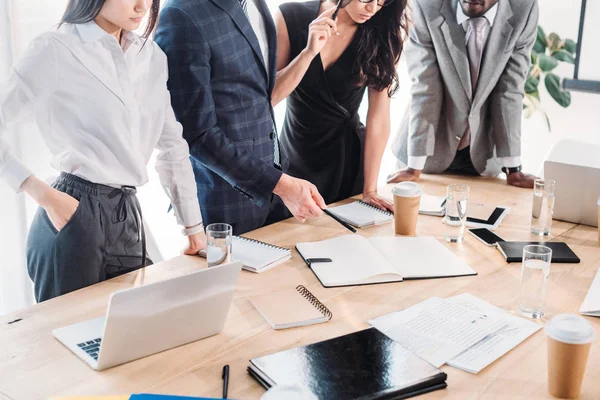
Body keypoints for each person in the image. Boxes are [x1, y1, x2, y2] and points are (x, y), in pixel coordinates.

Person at [0, 0, 206, 302]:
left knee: (139, 333)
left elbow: (172, 143)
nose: (142, 6)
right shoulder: (56, 48)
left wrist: (193, 226)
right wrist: (43, 195)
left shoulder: (150, 56)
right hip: (72, 212)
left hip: (126, 213)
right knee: (72, 338)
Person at [155, 0, 326, 236]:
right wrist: (280, 184)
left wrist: (280, 181)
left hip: (275, 193)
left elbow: (259, 95)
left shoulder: (256, 4)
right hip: (223, 203)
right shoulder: (180, 15)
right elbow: (196, 134)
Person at [387, 0, 539, 188]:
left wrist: (513, 170)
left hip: (481, 157)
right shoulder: (425, 5)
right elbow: (426, 89)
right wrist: (414, 167)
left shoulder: (523, 9)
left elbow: (509, 90)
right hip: (426, 154)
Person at [272, 0, 408, 210]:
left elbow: (378, 117)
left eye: (382, 1)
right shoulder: (290, 16)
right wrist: (308, 53)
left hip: (348, 162)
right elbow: (271, 98)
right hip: (294, 158)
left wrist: (370, 189)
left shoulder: (383, 34)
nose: (372, 9)